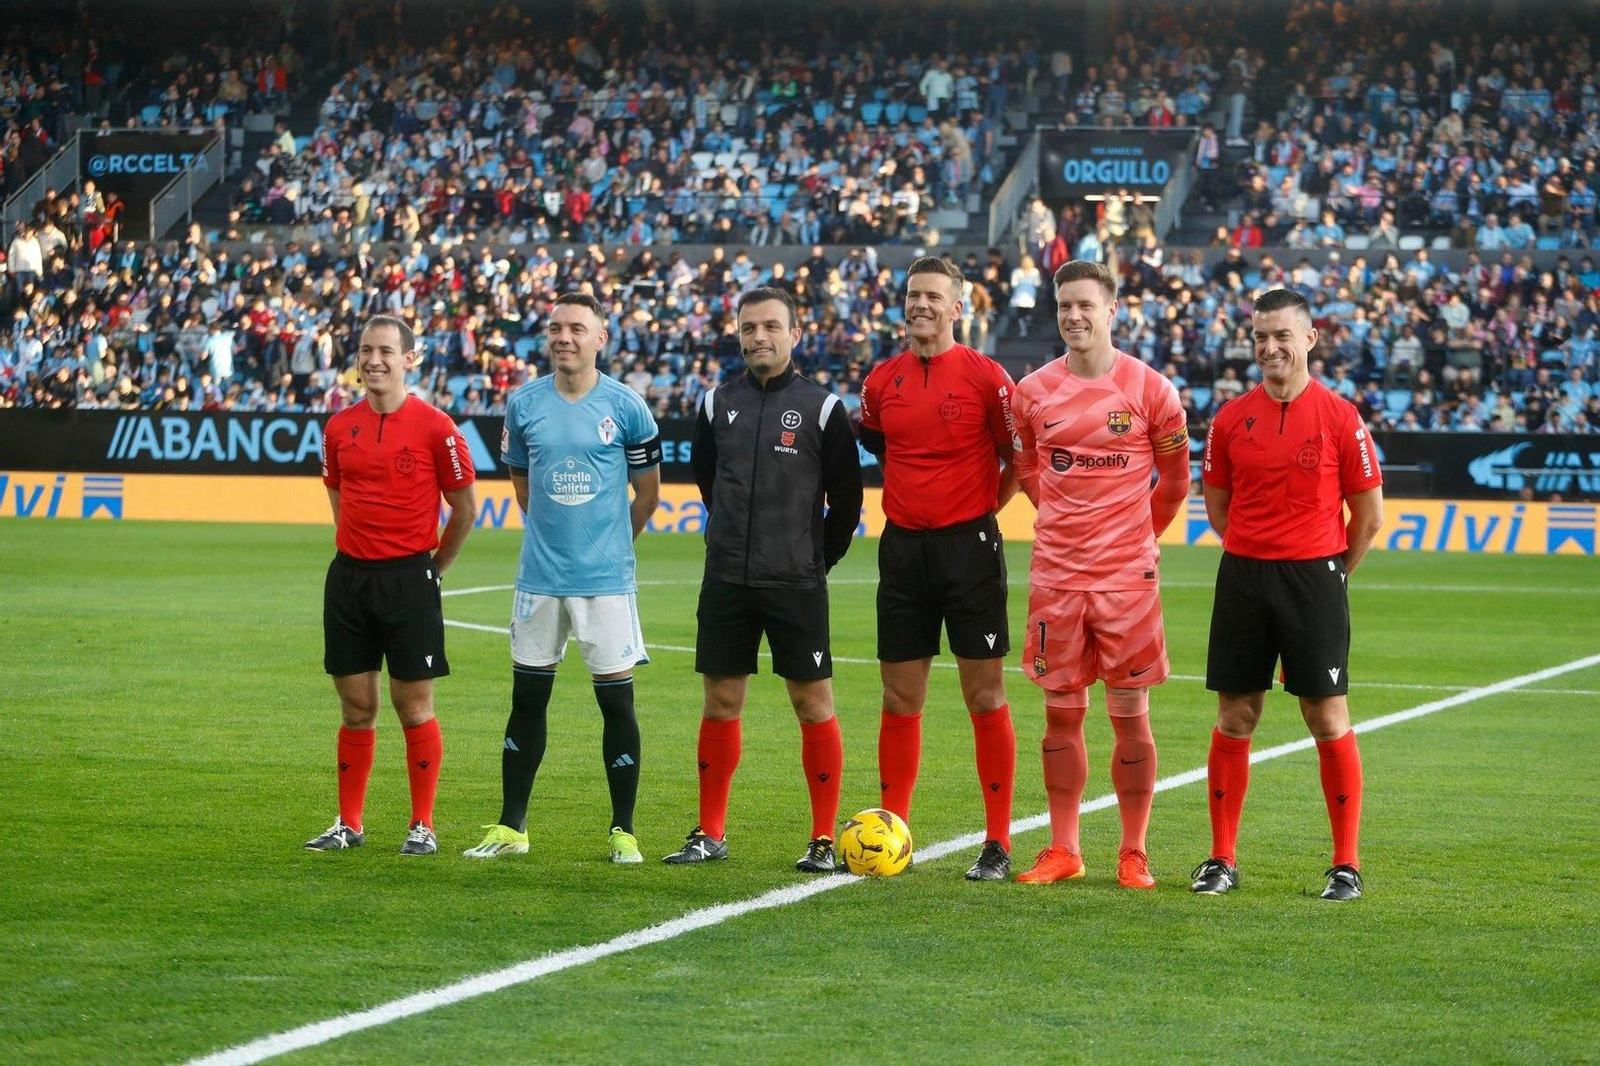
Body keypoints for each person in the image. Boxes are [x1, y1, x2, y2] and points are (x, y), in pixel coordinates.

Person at [661, 287, 864, 871]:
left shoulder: (823, 409)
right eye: (749, 328)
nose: (759, 338)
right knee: (721, 701)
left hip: (796, 582)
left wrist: (814, 561)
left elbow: (846, 503)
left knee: (813, 702)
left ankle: (823, 838)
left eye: (771, 327)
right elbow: (706, 478)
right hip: (726, 578)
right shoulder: (715, 402)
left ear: (794, 335)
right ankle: (710, 832)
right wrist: (727, 538)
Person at [1191, 288, 1384, 901]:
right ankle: (1222, 858)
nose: (1270, 348)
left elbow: (1369, 516)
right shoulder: (1228, 418)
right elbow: (1218, 508)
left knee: (1326, 716)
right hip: (1244, 575)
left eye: (1281, 336)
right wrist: (1257, 548)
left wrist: (1330, 572)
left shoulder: (1341, 417)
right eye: (1260, 338)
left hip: (1314, 578)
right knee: (1235, 714)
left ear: (1309, 338)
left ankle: (1345, 865)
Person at [1010, 260, 1191, 888]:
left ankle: (1133, 850)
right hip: (1056, 577)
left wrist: (1135, 539)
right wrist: (1067, 528)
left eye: (1086, 305)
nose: (1074, 317)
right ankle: (1064, 848)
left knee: (1129, 715)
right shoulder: (1030, 392)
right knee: (1061, 714)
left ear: (1112, 310)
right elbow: (1030, 470)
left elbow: (1174, 482)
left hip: (1126, 581)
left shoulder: (1151, 391)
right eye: (1064, 307)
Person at [463, 293, 662, 864]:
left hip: (606, 583)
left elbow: (647, 496)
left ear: (601, 338)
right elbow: (523, 488)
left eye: (577, 328)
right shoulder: (523, 405)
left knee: (617, 706)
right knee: (526, 699)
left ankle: (623, 830)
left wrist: (611, 547)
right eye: (556, 328)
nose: (564, 337)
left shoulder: (628, 408)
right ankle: (512, 826)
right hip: (539, 579)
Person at [856, 256, 1019, 880]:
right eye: (912, 294)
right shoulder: (881, 383)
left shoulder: (988, 379)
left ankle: (998, 842)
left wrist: (979, 513)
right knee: (900, 697)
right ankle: (891, 833)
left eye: (933, 296)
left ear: (958, 307)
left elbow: (1017, 461)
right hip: (902, 548)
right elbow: (878, 445)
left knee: (985, 694)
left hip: (969, 549)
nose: (920, 304)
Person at [307, 315, 478, 855]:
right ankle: (349, 823)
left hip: (409, 579)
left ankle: (422, 824)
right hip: (350, 579)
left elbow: (465, 509)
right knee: (356, 707)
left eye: (385, 350)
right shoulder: (339, 427)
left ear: (410, 358)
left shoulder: (437, 427)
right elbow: (338, 495)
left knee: (413, 705)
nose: (373, 360)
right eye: (365, 350)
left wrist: (434, 568)